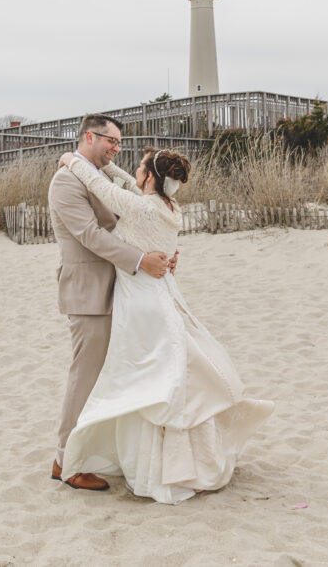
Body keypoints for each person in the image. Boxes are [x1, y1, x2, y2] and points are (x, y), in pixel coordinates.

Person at [58, 145, 274, 504]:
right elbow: (126, 183)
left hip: (141, 301)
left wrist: (72, 160)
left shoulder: (140, 207)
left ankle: (155, 464)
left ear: (149, 177)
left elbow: (101, 188)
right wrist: (113, 167)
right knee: (165, 372)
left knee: (147, 378)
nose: (134, 170)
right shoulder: (168, 206)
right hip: (161, 294)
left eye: (140, 167)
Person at [47, 114, 176, 492]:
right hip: (89, 292)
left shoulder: (101, 176)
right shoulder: (66, 181)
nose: (117, 148)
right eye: (112, 141)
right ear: (89, 137)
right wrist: (140, 260)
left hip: (121, 289)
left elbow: (134, 220)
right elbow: (90, 235)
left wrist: (162, 253)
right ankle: (65, 462)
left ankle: (99, 452)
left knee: (113, 376)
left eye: (119, 143)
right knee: (84, 377)